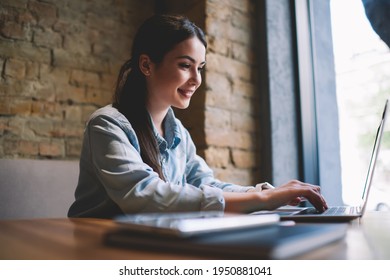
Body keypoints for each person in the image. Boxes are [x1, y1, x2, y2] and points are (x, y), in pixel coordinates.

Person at [68, 14, 328, 218]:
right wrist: (262, 200)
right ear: (146, 65)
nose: (196, 79)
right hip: (97, 245)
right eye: (185, 65)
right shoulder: (107, 124)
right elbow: (146, 197)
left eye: (200, 68)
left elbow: (207, 185)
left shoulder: (178, 132)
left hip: (154, 241)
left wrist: (266, 193)